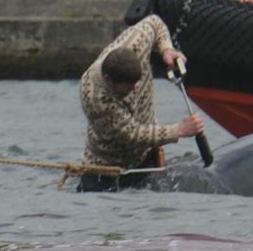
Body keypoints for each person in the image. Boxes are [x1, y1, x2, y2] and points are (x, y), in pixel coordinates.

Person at [78, 15, 205, 192]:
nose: (136, 91)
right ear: (109, 81)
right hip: (107, 172)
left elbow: (155, 22)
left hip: (147, 156)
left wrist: (166, 50)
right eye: (128, 89)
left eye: (138, 83)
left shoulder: (136, 42)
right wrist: (179, 130)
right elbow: (133, 134)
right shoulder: (96, 99)